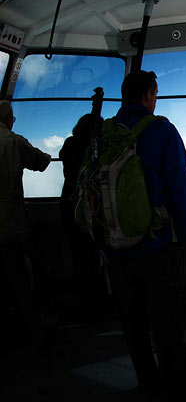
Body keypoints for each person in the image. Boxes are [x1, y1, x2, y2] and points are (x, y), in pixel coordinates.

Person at [105, 71, 186, 402]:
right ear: (149, 95)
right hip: (157, 247)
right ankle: (178, 390)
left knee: (133, 324)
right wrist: (183, 235)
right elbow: (182, 193)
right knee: (166, 324)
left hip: (116, 247)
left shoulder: (105, 133)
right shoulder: (161, 130)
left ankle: (148, 384)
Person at [0, 100, 51, 348]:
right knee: (20, 280)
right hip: (10, 227)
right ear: (9, 119)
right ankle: (31, 336)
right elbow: (41, 162)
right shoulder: (13, 141)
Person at [59, 114, 107, 319]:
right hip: (89, 207)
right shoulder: (94, 151)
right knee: (93, 255)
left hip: (69, 205)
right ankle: (98, 305)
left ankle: (87, 304)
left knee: (79, 255)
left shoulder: (70, 146)